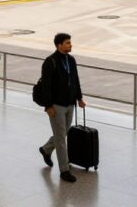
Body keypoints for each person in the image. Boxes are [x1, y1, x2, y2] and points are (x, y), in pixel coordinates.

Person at [37, 32, 86, 183]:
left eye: (70, 43)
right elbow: (46, 86)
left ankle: (46, 149)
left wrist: (79, 97)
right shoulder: (50, 61)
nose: (70, 45)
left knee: (62, 134)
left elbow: (75, 79)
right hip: (56, 106)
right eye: (67, 43)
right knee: (61, 139)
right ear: (59, 45)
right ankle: (64, 170)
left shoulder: (71, 60)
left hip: (70, 103)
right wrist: (48, 106)